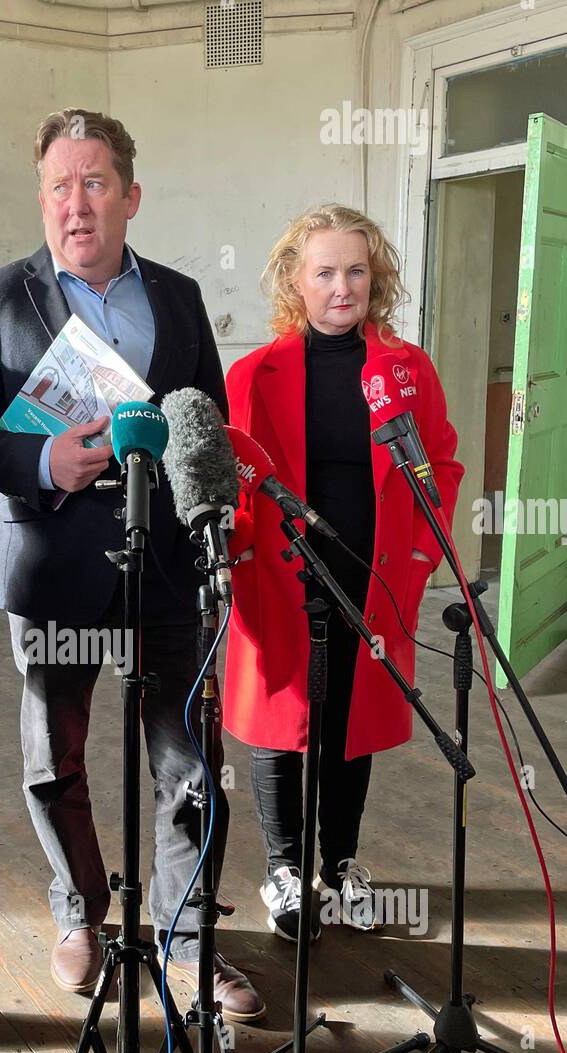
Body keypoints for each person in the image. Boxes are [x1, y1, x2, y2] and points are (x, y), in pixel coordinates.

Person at [0, 109, 264, 1023]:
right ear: (42, 200)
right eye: (57, 187)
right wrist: (43, 462)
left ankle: (188, 940)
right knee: (54, 760)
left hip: (164, 569)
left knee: (189, 762)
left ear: (129, 195)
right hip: (51, 567)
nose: (75, 205)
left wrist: (211, 523)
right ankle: (79, 913)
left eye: (94, 183)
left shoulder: (181, 297)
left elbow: (205, 427)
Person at [223, 204, 463, 940]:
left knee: (348, 719)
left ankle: (342, 862)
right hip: (279, 572)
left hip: (374, 568)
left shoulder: (406, 368)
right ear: (295, 281)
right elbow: (228, 477)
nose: (341, 286)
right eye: (324, 271)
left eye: (355, 270)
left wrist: (422, 559)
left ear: (374, 276)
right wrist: (231, 562)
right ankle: (285, 870)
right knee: (282, 719)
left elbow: (441, 466)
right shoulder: (253, 373)